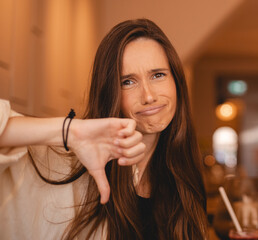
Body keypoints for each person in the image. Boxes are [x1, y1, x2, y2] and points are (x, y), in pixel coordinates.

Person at [0, 18, 207, 239]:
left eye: (158, 75)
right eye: (128, 81)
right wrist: (70, 131)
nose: (148, 96)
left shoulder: (179, 177)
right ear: (110, 93)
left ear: (176, 81)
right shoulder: (62, 166)